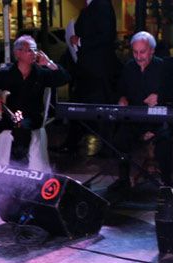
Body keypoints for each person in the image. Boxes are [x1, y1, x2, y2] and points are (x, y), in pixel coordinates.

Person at [0, 34, 69, 171]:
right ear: (18, 53)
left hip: (31, 117)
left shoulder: (41, 73)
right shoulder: (6, 73)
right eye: (29, 50)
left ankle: (18, 169)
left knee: (21, 128)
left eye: (35, 50)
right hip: (10, 116)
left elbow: (64, 78)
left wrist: (48, 63)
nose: (34, 53)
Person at [110, 31, 172, 195]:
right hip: (135, 119)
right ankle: (123, 180)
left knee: (165, 140)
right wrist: (122, 98)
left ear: (152, 50)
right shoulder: (129, 67)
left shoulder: (163, 67)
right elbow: (120, 90)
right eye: (135, 52)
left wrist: (160, 97)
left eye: (142, 52)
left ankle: (167, 183)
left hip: (157, 120)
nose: (138, 57)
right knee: (120, 139)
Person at [62, 0, 117, 155]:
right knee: (79, 105)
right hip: (87, 68)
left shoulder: (101, 4)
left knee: (100, 107)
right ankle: (71, 142)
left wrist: (80, 41)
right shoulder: (91, 7)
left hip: (97, 70)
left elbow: (107, 35)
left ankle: (108, 146)